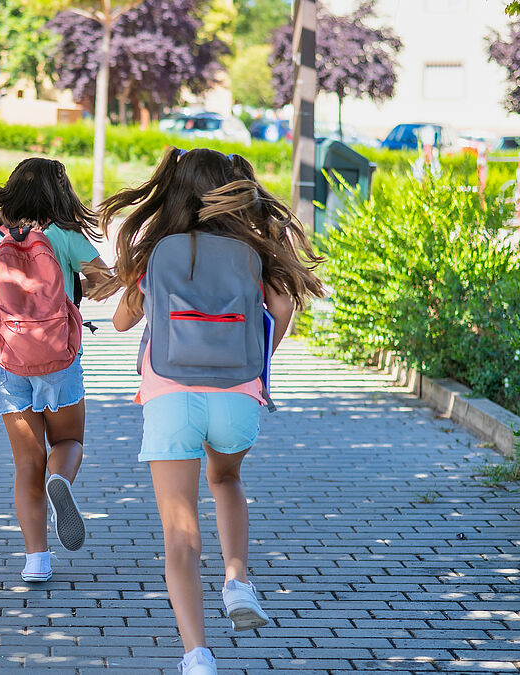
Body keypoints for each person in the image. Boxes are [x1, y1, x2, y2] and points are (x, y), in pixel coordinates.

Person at [98, 148, 324, 674]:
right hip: (237, 395)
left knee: (179, 528)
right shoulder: (251, 247)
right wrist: (256, 362)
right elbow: (285, 307)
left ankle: (197, 655)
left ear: (173, 191)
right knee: (226, 481)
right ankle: (238, 580)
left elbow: (122, 324)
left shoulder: (155, 250)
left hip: (170, 394)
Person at [0, 158, 113, 583]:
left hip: (6, 359)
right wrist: (77, 292)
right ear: (60, 194)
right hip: (59, 354)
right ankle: (61, 481)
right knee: (70, 439)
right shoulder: (64, 235)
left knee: (26, 463)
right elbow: (105, 281)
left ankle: (36, 560)